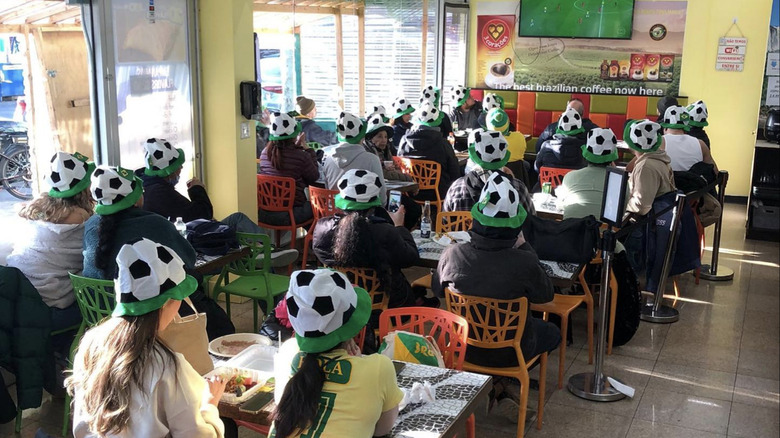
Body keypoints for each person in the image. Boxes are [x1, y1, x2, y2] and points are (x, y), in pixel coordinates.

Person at [66, 238, 226, 438]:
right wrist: (210, 405)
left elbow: (82, 428)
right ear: (170, 302)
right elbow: (195, 435)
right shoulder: (168, 365)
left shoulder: (91, 344)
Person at [82, 166, 234, 340]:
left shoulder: (90, 226)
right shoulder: (155, 223)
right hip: (148, 313)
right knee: (222, 326)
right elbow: (188, 260)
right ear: (136, 198)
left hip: (101, 314)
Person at [433, 174, 560, 371]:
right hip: (512, 351)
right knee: (552, 331)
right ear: (515, 226)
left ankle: (493, 382)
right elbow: (545, 296)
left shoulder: (452, 254)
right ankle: (506, 378)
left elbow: (438, 290)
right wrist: (525, 246)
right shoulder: (524, 262)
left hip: (463, 345)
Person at [271, 269, 403, 438]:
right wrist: (361, 365)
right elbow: (381, 429)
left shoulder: (287, 353)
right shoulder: (379, 367)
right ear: (352, 325)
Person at [7, 151, 95, 345]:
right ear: (85, 188)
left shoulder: (36, 208)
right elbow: (93, 261)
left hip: (15, 303)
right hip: (48, 309)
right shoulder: (81, 218)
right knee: (100, 305)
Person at [313, 169, 426, 308]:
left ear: (341, 200)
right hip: (387, 305)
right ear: (375, 205)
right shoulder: (385, 232)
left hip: (341, 304)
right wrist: (399, 226)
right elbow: (411, 258)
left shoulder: (322, 227)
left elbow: (324, 256)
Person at [443, 128, 534, 217]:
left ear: (474, 156)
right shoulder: (518, 188)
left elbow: (444, 222)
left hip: (463, 232)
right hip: (505, 232)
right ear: (504, 157)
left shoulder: (457, 188)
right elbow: (531, 220)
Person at [363, 112, 422, 230]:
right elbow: (384, 174)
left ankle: (400, 234)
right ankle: (397, 233)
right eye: (379, 136)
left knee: (414, 208)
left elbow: (396, 170)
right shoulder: (369, 154)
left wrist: (400, 175)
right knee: (410, 209)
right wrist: (409, 179)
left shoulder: (386, 151)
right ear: (370, 137)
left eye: (385, 137)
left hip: (391, 192)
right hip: (378, 197)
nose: (384, 140)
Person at [258, 112, 319, 226]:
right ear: (294, 135)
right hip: (290, 214)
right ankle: (311, 242)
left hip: (264, 213)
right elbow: (314, 177)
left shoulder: (264, 154)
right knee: (318, 206)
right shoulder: (301, 156)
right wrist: (308, 149)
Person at [397, 101, 461, 203]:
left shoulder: (404, 140)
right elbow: (455, 172)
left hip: (409, 191)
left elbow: (399, 164)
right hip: (438, 192)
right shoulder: (443, 143)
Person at [556, 128, 625, 219]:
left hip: (571, 231)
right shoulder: (621, 182)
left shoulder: (570, 176)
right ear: (613, 156)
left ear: (586, 153)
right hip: (603, 232)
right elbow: (621, 212)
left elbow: (562, 206)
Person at [321, 111, 387, 205]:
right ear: (363, 136)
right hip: (361, 216)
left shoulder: (328, 159)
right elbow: (382, 195)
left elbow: (327, 189)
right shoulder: (372, 159)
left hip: (332, 213)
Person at [623, 120, 675, 217]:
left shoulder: (645, 167)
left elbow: (641, 206)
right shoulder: (659, 159)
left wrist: (621, 204)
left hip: (647, 225)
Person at [534, 108, 589, 184]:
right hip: (575, 191)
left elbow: (537, 168)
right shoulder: (586, 149)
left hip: (549, 190)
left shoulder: (546, 146)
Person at [660, 105, 718, 174]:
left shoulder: (659, 142)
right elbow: (715, 172)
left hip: (667, 184)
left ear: (665, 127)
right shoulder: (700, 144)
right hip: (695, 183)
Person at [485, 107, 528, 181]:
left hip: (494, 181)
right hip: (518, 180)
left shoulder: (485, 142)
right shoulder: (520, 137)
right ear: (507, 123)